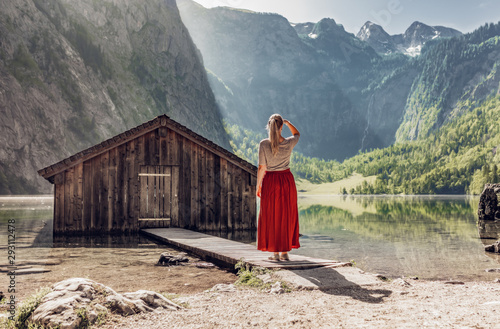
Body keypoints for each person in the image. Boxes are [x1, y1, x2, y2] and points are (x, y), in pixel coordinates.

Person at [256, 114, 300, 261]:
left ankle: (274, 254)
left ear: (269, 127)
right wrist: (288, 123)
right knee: (286, 216)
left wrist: (258, 186)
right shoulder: (288, 143)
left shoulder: (263, 144)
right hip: (287, 181)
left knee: (271, 216)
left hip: (270, 182)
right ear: (281, 127)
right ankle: (285, 253)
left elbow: (262, 168)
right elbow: (297, 134)